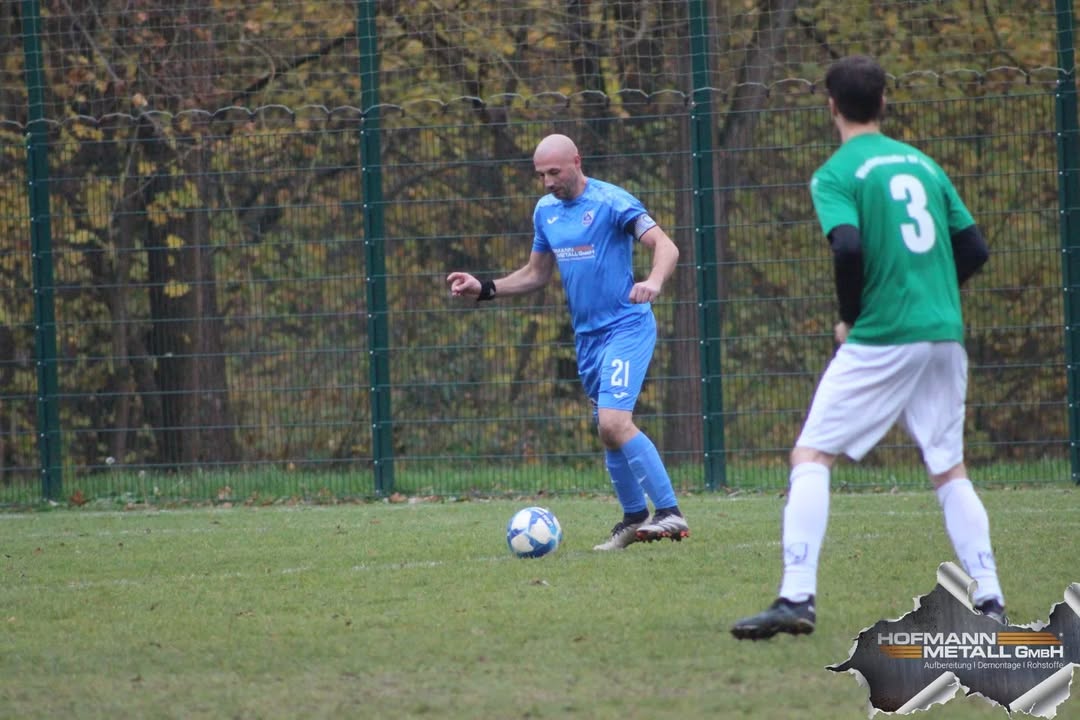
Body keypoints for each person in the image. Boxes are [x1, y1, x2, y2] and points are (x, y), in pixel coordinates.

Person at [730, 55, 1006, 640]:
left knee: (812, 457)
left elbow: (849, 248)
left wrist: (850, 319)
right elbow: (976, 249)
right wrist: (929, 290)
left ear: (831, 105)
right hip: (943, 333)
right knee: (949, 467)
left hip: (883, 335)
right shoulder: (924, 164)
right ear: (884, 102)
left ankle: (795, 597)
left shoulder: (836, 172)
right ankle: (990, 599)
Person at [447, 133, 689, 551]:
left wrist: (653, 280)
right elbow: (535, 273)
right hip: (589, 338)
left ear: (577, 161)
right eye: (540, 175)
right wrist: (484, 288)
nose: (546, 182)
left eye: (554, 172)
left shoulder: (613, 202)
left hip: (627, 327)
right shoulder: (546, 212)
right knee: (607, 431)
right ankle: (634, 518)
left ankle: (669, 512)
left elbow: (665, 246)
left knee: (615, 422)